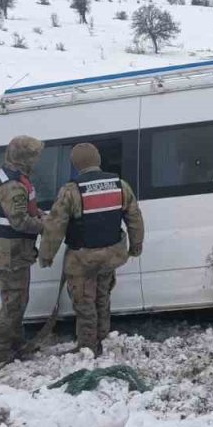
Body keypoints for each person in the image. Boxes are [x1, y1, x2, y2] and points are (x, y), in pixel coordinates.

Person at [40, 143, 144, 354]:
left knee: (85, 303)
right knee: (102, 297)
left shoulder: (71, 190)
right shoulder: (120, 185)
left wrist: (47, 255)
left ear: (76, 164)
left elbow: (55, 227)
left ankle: (89, 348)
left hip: (83, 259)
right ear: (98, 159)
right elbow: (134, 218)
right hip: (111, 255)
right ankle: (104, 340)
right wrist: (136, 246)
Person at [0, 136, 46, 378]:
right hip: (9, 254)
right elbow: (19, 221)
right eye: (34, 156)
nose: (37, 160)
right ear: (24, 158)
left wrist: (39, 213)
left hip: (11, 252)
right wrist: (45, 225)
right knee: (13, 304)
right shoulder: (13, 185)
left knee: (18, 300)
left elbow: (23, 210)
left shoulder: (12, 176)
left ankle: (16, 345)